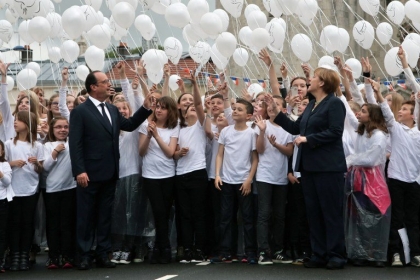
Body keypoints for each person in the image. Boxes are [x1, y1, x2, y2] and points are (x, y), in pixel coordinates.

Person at [69, 71, 153, 270]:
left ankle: (103, 253)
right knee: (86, 215)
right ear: (93, 87)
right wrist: (79, 170)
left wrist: (145, 108)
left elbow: (131, 125)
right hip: (88, 173)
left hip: (109, 171)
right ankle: (84, 254)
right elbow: (76, 143)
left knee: (105, 215)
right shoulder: (80, 111)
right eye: (104, 82)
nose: (109, 84)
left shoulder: (112, 109)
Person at [265, 66, 347, 269]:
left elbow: (335, 132)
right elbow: (295, 128)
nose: (310, 80)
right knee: (314, 212)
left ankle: (336, 254)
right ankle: (319, 253)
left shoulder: (334, 103)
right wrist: (276, 112)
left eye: (314, 77)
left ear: (322, 83)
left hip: (328, 167)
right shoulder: (311, 106)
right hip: (309, 167)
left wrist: (309, 139)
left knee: (330, 212)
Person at [344, 94, 390, 267]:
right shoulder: (362, 131)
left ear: (371, 116)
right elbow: (349, 113)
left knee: (373, 216)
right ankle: (360, 252)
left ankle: (376, 253)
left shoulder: (378, 135)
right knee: (358, 217)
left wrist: (350, 160)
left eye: (363, 112)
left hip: (373, 182)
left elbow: (370, 160)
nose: (359, 114)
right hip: (358, 179)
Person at [212, 98, 258, 264]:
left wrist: (249, 180)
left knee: (247, 218)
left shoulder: (252, 133)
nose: (235, 111)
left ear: (249, 115)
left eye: (239, 109)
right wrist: (218, 174)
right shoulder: (226, 132)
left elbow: (255, 159)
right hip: (227, 180)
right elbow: (219, 154)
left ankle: (250, 252)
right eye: (234, 109)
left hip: (243, 181)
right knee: (225, 217)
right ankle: (225, 252)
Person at [138, 96, 179, 264]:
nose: (159, 110)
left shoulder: (173, 127)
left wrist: (157, 136)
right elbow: (141, 152)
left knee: (165, 212)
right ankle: (163, 248)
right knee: (158, 212)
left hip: (168, 175)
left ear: (169, 111)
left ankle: (160, 247)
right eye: (157, 107)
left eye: (163, 108)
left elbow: (170, 152)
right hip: (150, 176)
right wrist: (148, 135)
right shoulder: (145, 126)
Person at [254, 96, 293, 265]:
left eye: (276, 104)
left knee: (279, 215)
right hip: (264, 175)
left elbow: (289, 152)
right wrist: (262, 131)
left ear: (284, 110)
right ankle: (263, 251)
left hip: (281, 177)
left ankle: (278, 250)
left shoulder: (288, 128)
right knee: (263, 214)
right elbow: (260, 150)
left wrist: (276, 145)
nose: (272, 107)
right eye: (269, 104)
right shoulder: (263, 125)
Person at [173, 71, 208, 263]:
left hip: (197, 174)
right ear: (184, 114)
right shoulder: (179, 128)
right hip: (181, 175)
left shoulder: (200, 126)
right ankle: (187, 248)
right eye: (190, 109)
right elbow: (174, 152)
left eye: (195, 108)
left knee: (199, 214)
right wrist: (179, 153)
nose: (193, 109)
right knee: (184, 215)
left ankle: (200, 249)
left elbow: (199, 105)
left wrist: (194, 85)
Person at [5, 111, 44, 271]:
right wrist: (12, 163)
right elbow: (4, 164)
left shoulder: (37, 145)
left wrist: (37, 164)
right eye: (15, 120)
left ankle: (24, 254)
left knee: (27, 223)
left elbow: (41, 170)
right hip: (13, 189)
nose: (15, 123)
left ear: (28, 124)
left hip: (30, 189)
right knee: (15, 223)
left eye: (19, 120)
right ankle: (15, 254)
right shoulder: (9, 144)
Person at [43, 117, 76, 269]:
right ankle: (53, 257)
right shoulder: (48, 145)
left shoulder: (73, 143)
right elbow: (46, 167)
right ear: (52, 129)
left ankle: (68, 255)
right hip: (52, 189)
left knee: (67, 224)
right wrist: (55, 152)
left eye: (65, 127)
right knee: (53, 224)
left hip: (70, 188)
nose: (62, 130)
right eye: (58, 127)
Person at [0, 139, 12, 273]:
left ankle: (1, 260)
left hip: (2, 201)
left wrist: (1, 174)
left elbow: (7, 182)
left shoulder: (4, 165)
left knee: (2, 232)